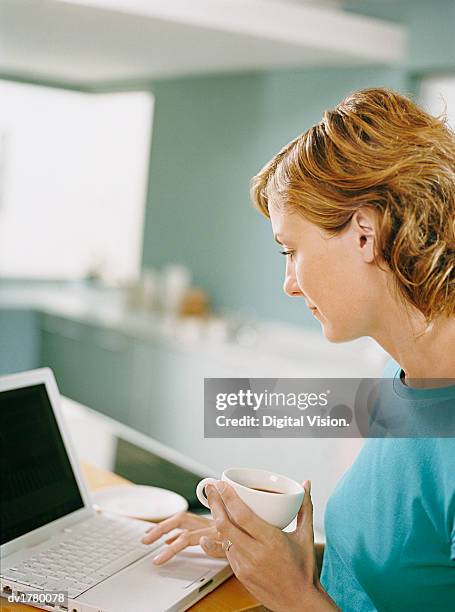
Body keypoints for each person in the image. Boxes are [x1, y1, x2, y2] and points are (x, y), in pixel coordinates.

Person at [142, 88, 455, 611]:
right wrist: (272, 554)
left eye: (291, 250)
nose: (288, 282)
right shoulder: (398, 372)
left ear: (365, 233)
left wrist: (291, 594)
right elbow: (406, 570)